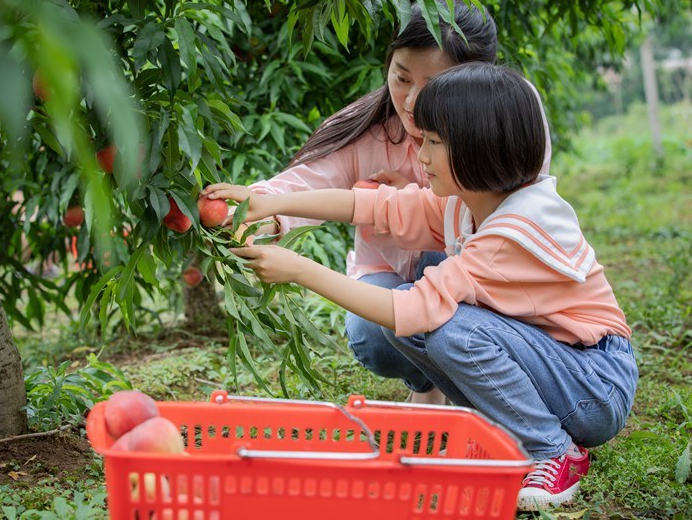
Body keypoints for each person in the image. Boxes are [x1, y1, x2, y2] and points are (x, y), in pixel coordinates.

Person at [202, 63, 638, 510]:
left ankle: (553, 450)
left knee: (449, 329)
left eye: (432, 142)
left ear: (477, 149)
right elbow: (372, 206)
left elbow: (412, 309)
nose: (421, 155)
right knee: (424, 327)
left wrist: (300, 271)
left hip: (595, 385)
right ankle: (512, 431)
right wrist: (270, 202)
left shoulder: (512, 229)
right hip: (558, 367)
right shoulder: (470, 203)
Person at [246, 0, 552, 405]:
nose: (410, 102)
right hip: (395, 275)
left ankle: (478, 388)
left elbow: (507, 212)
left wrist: (410, 190)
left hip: (484, 278)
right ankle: (429, 383)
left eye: (434, 84)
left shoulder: (509, 117)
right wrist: (260, 211)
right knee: (371, 335)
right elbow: (305, 183)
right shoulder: (370, 132)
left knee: (445, 266)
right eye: (402, 78)